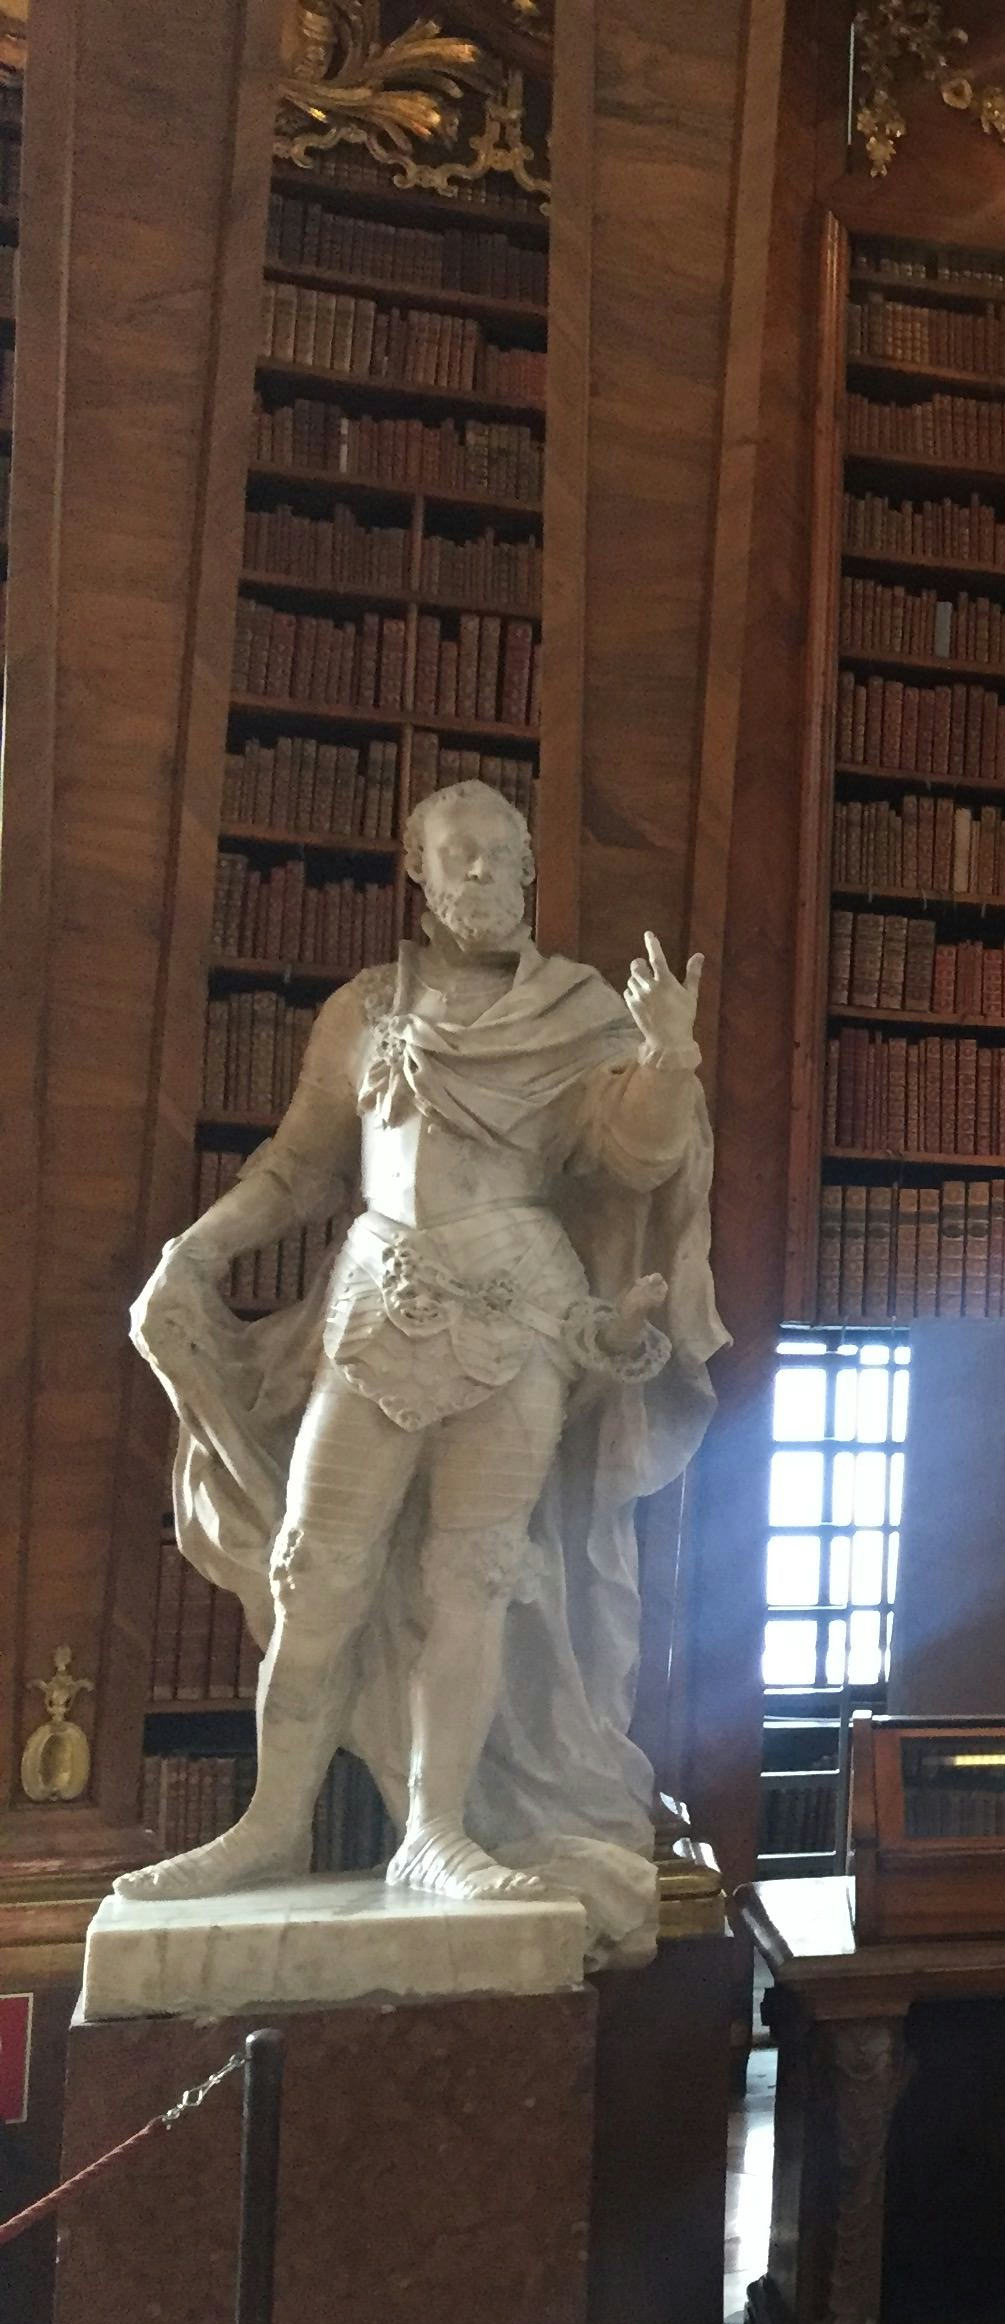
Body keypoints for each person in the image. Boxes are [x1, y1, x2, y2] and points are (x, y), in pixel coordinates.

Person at [119, 780, 722, 1959]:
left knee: (475, 1575)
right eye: (464, 859)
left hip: (520, 1309)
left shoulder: (581, 1008)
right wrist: (192, 1252)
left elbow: (635, 1159)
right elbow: (298, 1171)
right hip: (376, 1305)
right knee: (313, 1568)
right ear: (420, 870)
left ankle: (437, 1833)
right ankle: (272, 1819)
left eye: (507, 859)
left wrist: (667, 1057)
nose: (489, 880)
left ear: (533, 870)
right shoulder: (366, 1010)